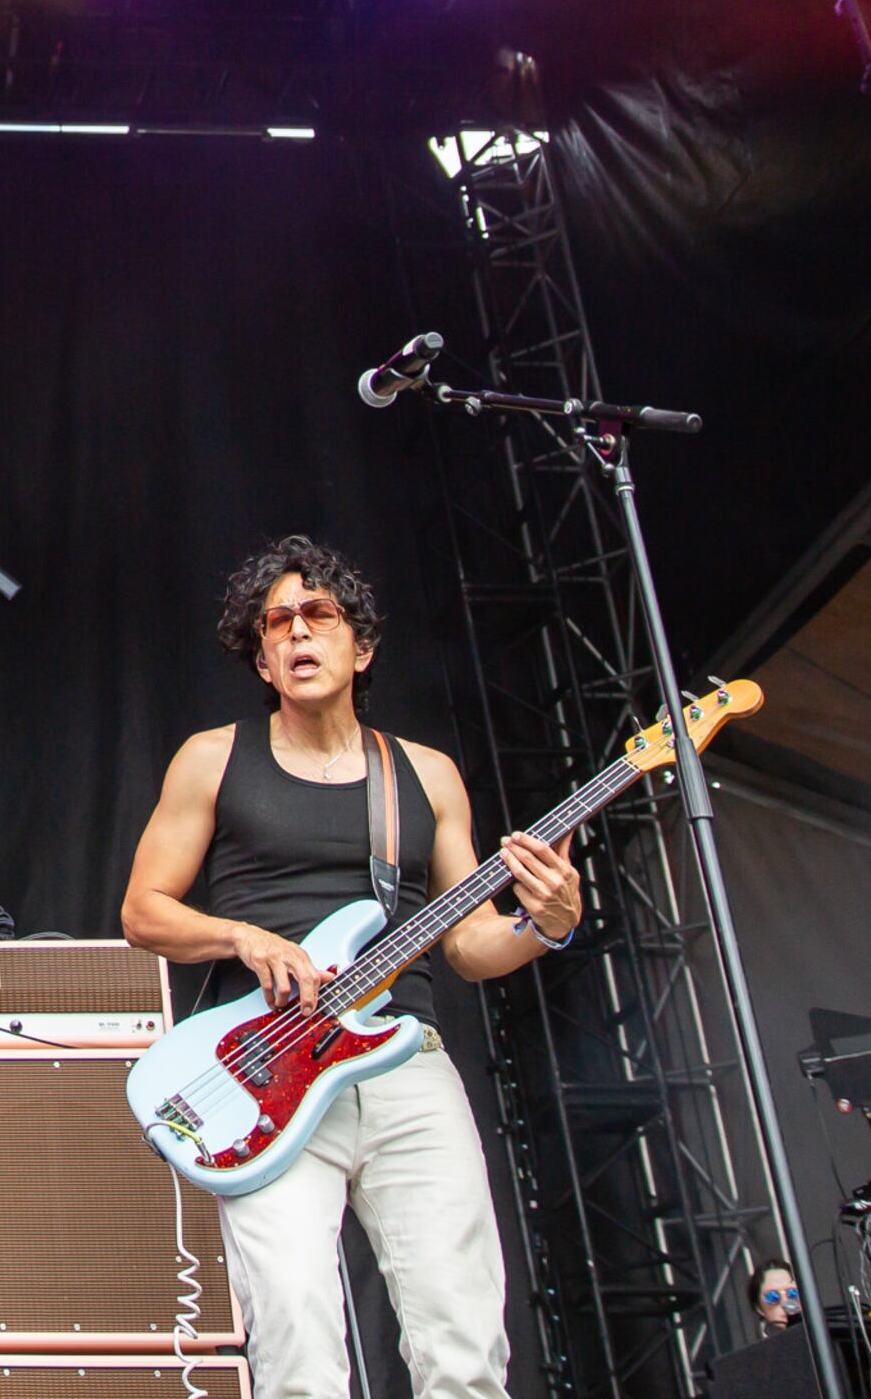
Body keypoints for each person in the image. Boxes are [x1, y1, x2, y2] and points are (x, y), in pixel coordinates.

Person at [119, 537, 584, 1399]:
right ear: (261, 658)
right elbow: (143, 910)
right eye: (277, 623)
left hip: (407, 1066)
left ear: (360, 646)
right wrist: (242, 940)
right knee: (297, 1339)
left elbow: (472, 944)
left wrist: (547, 926)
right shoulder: (213, 757)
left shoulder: (426, 775)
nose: (297, 632)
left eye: (318, 615)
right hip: (263, 1072)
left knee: (465, 1338)